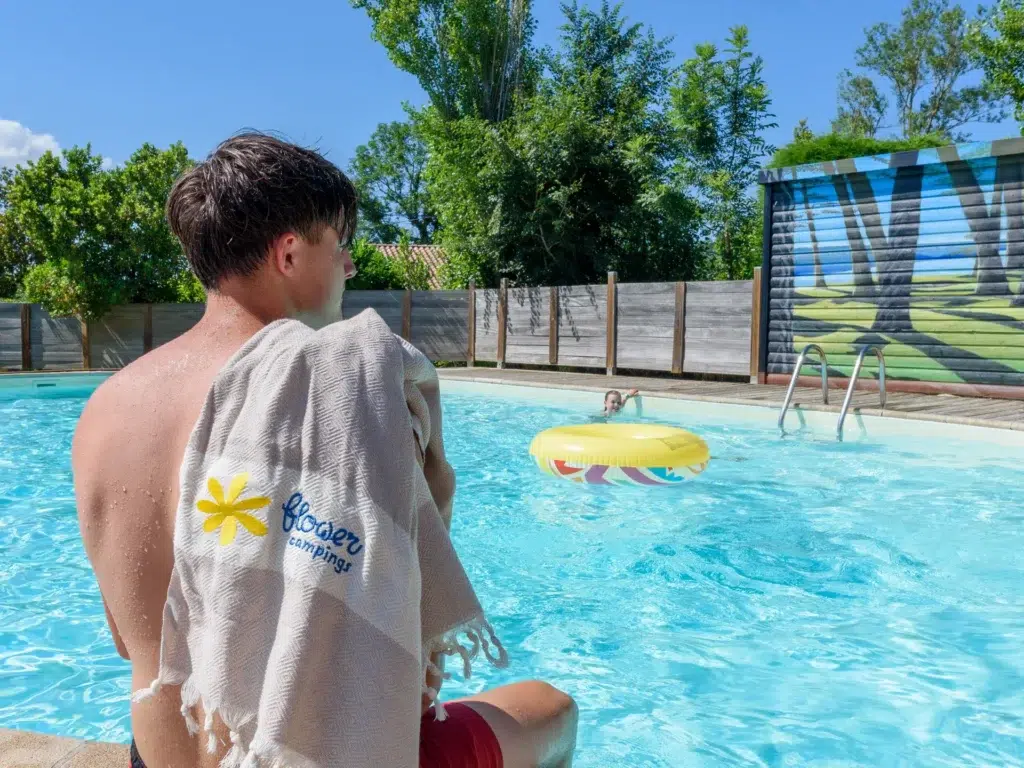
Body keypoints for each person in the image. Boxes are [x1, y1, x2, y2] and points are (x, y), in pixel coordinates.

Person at [72, 133, 577, 768]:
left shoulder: (104, 409)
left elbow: (128, 641)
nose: (349, 268)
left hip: (156, 757)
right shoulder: (343, 389)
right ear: (289, 253)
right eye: (342, 249)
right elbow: (408, 663)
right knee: (553, 709)